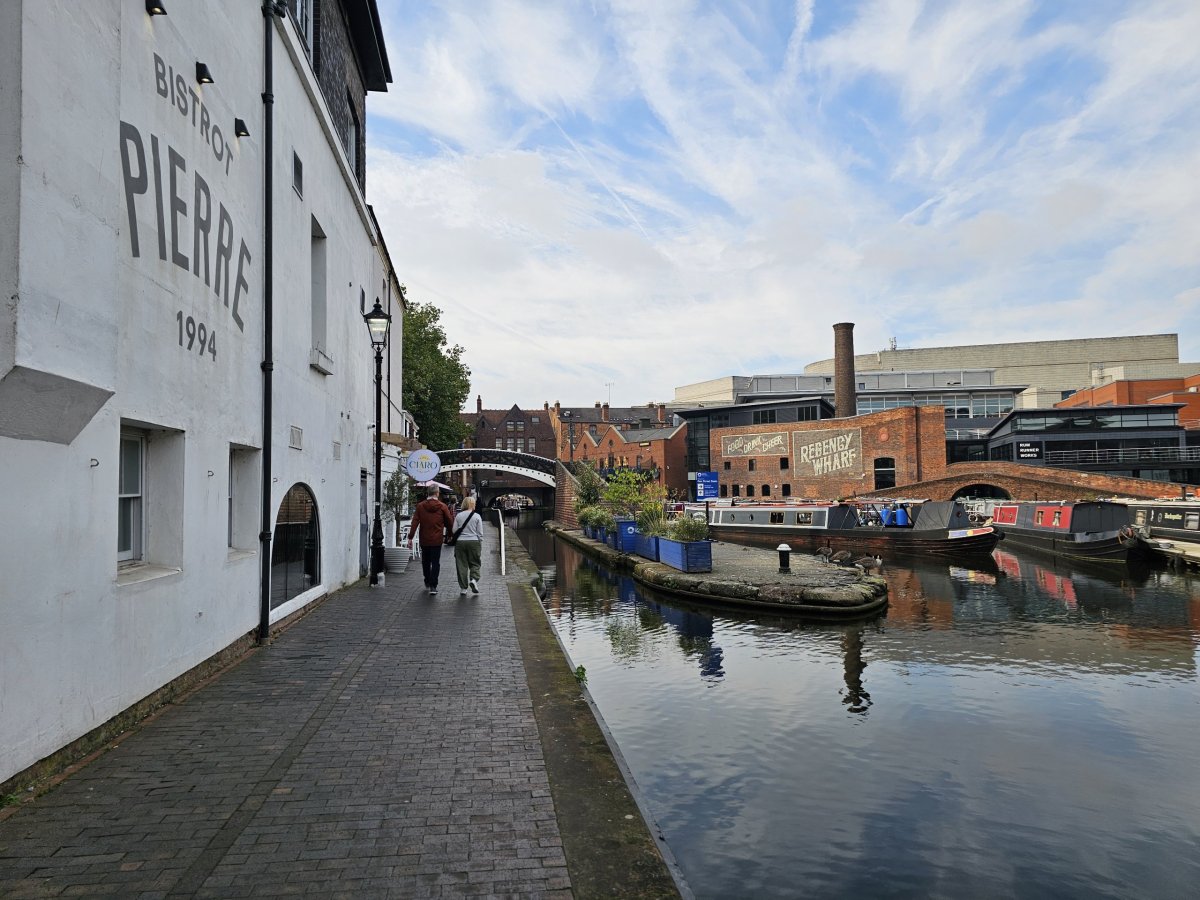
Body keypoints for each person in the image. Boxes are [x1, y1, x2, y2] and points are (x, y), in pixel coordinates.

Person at [407, 486, 453, 594]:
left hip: (425, 538)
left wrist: (410, 537)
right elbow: (449, 522)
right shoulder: (442, 506)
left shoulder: (420, 506)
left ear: (428, 493)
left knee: (425, 561)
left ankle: (427, 579)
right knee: (435, 562)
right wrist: (450, 534)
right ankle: (433, 586)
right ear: (437, 493)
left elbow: (415, 522)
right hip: (437, 539)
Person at [452, 496, 485, 595]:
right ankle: (474, 579)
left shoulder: (459, 516)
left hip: (460, 542)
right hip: (474, 542)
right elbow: (480, 532)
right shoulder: (477, 516)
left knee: (461, 564)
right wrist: (480, 541)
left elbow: (454, 530)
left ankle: (463, 588)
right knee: (475, 563)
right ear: (473, 504)